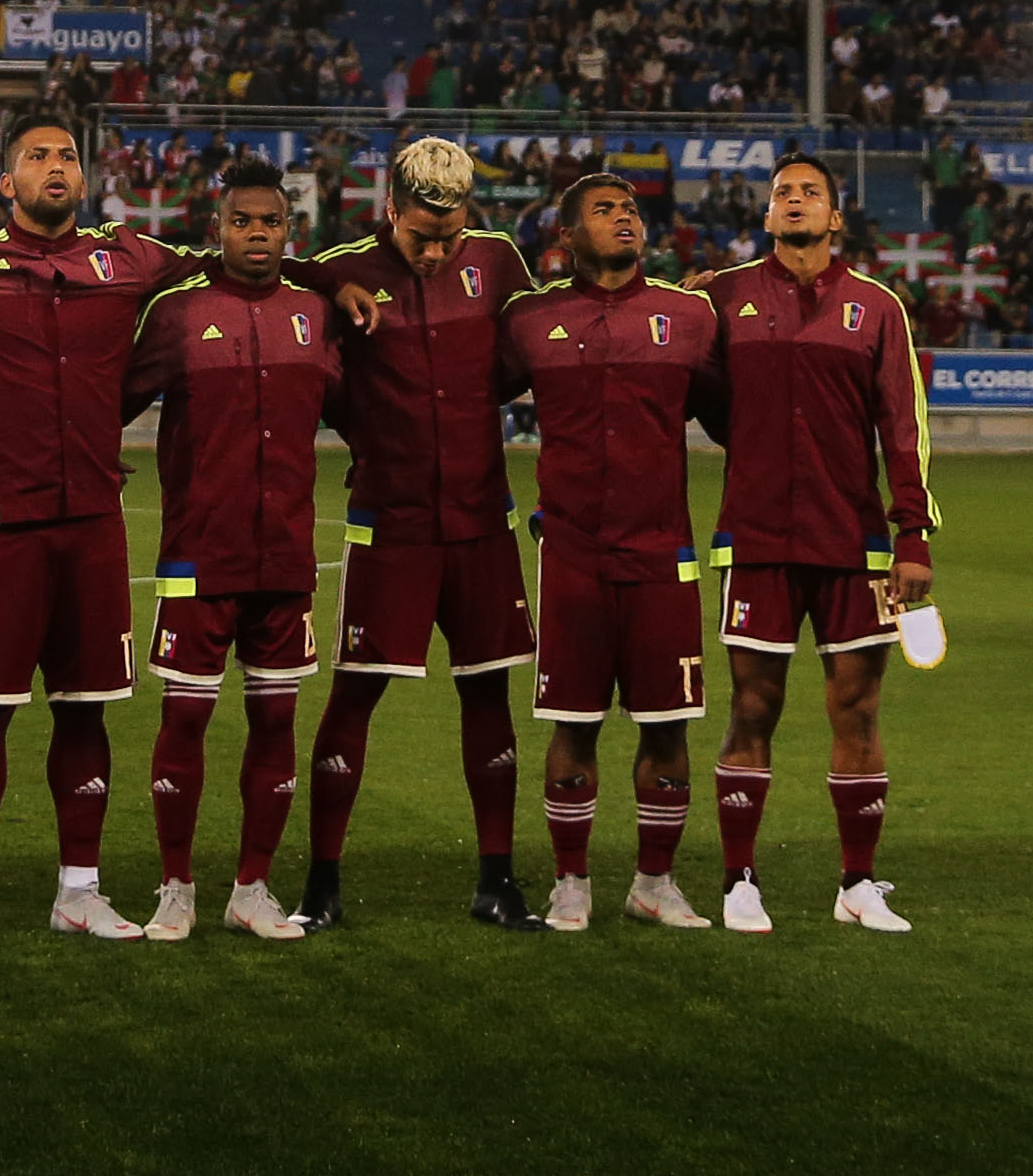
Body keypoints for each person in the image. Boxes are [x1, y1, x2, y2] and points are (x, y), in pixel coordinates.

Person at [0, 111, 179, 946]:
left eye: (66, 155)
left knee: (86, 709)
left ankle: (78, 889)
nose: (55, 166)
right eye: (36, 156)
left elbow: (227, 265)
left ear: (83, 178)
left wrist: (333, 279)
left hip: (94, 517)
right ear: (5, 181)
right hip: (1, 519)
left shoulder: (127, 258)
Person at [301, 134, 544, 931]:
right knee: (354, 693)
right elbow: (298, 339)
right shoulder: (339, 268)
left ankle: (496, 879)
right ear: (389, 211)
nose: (438, 250)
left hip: (480, 521)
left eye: (450, 234)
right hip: (390, 522)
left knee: (488, 690)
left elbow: (537, 350)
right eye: (420, 236)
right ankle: (322, 883)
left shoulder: (500, 260)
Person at [698, 153, 937, 935]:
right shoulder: (722, 296)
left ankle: (856, 883)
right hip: (757, 535)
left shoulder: (876, 307)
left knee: (857, 707)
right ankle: (739, 881)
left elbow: (902, 429)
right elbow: (696, 397)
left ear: (835, 217)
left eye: (809, 193)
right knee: (753, 704)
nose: (793, 201)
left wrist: (913, 537)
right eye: (780, 194)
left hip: (853, 540)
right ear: (766, 216)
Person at [494, 171, 721, 931]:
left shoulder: (689, 314)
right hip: (573, 555)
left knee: (667, 724)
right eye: (603, 209)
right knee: (573, 720)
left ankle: (654, 881)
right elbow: (456, 398)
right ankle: (570, 880)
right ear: (565, 236)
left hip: (663, 554)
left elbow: (734, 415)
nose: (624, 217)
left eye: (629, 208)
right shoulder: (528, 319)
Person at [122, 162, 341, 940]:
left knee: (275, 719)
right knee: (183, 718)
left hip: (285, 556)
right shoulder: (178, 314)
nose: (256, 232)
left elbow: (363, 410)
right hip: (197, 555)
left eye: (270, 221)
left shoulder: (315, 313)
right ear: (217, 226)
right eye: (242, 220)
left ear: (290, 230)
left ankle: (251, 885)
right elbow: (109, 400)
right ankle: (175, 885)